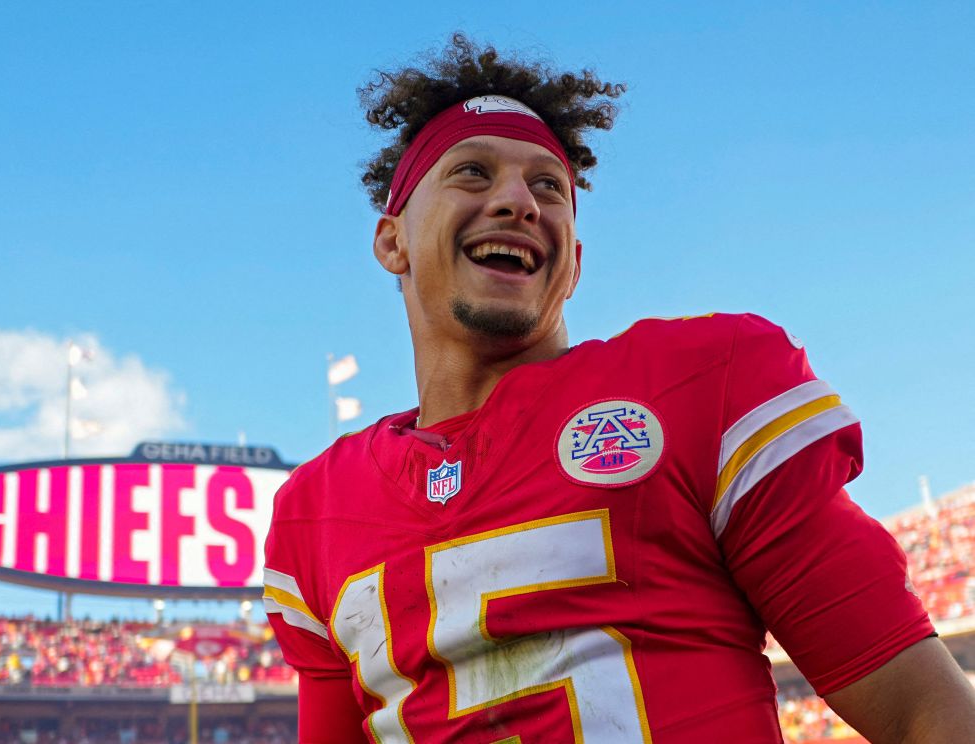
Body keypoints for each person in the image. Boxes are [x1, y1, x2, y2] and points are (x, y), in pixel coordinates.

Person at [262, 34, 975, 742]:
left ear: (572, 264)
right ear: (392, 242)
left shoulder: (703, 383)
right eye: (473, 173)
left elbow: (924, 712)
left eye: (549, 185)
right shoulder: (314, 514)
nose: (518, 200)